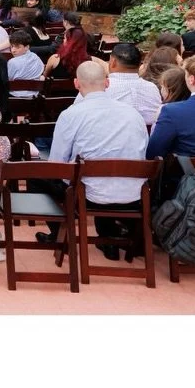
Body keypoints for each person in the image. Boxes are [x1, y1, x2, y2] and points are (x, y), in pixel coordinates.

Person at [34, 61, 149, 260]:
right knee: (98, 176)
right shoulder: (133, 114)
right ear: (107, 83)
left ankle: (58, 234)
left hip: (88, 195)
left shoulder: (71, 115)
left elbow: (57, 165)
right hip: (134, 195)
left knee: (38, 177)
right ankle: (108, 237)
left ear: (76, 84)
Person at [146, 54, 195, 159]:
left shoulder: (172, 111)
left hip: (186, 173)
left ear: (191, 80)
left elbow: (153, 152)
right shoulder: (173, 111)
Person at [92, 42, 161, 126]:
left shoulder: (98, 88)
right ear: (140, 65)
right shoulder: (152, 88)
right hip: (147, 138)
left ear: (113, 62)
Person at [44, 12, 90, 78]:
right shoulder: (90, 60)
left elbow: (45, 76)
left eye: (65, 39)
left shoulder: (55, 58)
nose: (63, 40)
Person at [6, 30, 45, 95]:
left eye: (17, 47)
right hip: (34, 96)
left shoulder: (12, 62)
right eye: (12, 46)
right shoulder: (36, 57)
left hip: (14, 96)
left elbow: (7, 80)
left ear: (27, 47)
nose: (13, 50)